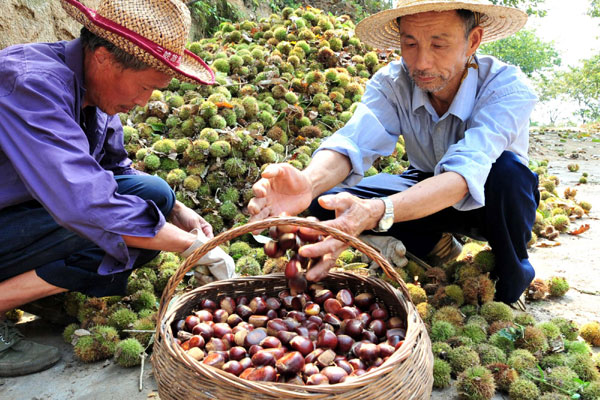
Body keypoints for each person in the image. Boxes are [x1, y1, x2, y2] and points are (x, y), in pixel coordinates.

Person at [249, 0, 539, 309]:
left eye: (439, 44)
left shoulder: (508, 88)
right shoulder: (391, 81)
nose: (422, 62)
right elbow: (354, 141)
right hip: (422, 187)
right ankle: (434, 244)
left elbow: (464, 173)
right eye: (410, 44)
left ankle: (510, 285)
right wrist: (308, 184)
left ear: (473, 41)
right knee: (326, 205)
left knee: (508, 173)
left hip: (491, 200)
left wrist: (376, 211)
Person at [0, 0, 234, 376]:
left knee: (154, 196)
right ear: (105, 57)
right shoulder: (31, 83)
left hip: (19, 218)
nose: (144, 102)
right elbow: (84, 204)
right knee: (104, 220)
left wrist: (178, 212)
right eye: (144, 87)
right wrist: (192, 248)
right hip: (17, 220)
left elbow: (117, 170)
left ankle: (27, 291)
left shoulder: (96, 95)